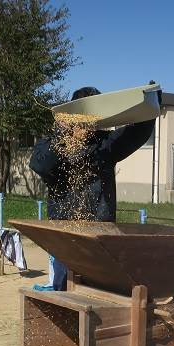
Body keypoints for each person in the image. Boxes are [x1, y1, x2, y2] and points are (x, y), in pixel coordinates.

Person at [29, 86, 156, 290]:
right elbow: (39, 165)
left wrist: (150, 107)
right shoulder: (54, 144)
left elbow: (136, 134)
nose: (86, 126)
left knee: (98, 289)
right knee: (65, 287)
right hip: (65, 233)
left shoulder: (104, 145)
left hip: (100, 232)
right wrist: (63, 136)